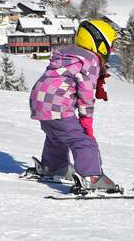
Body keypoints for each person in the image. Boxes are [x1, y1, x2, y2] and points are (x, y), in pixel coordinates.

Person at [29, 19, 118, 192]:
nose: (112, 50)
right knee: (83, 141)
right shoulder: (89, 60)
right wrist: (86, 119)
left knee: (57, 135)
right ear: (100, 43)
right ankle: (91, 177)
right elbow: (85, 91)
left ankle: (55, 167)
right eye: (111, 45)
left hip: (39, 100)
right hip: (57, 104)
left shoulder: (68, 55)